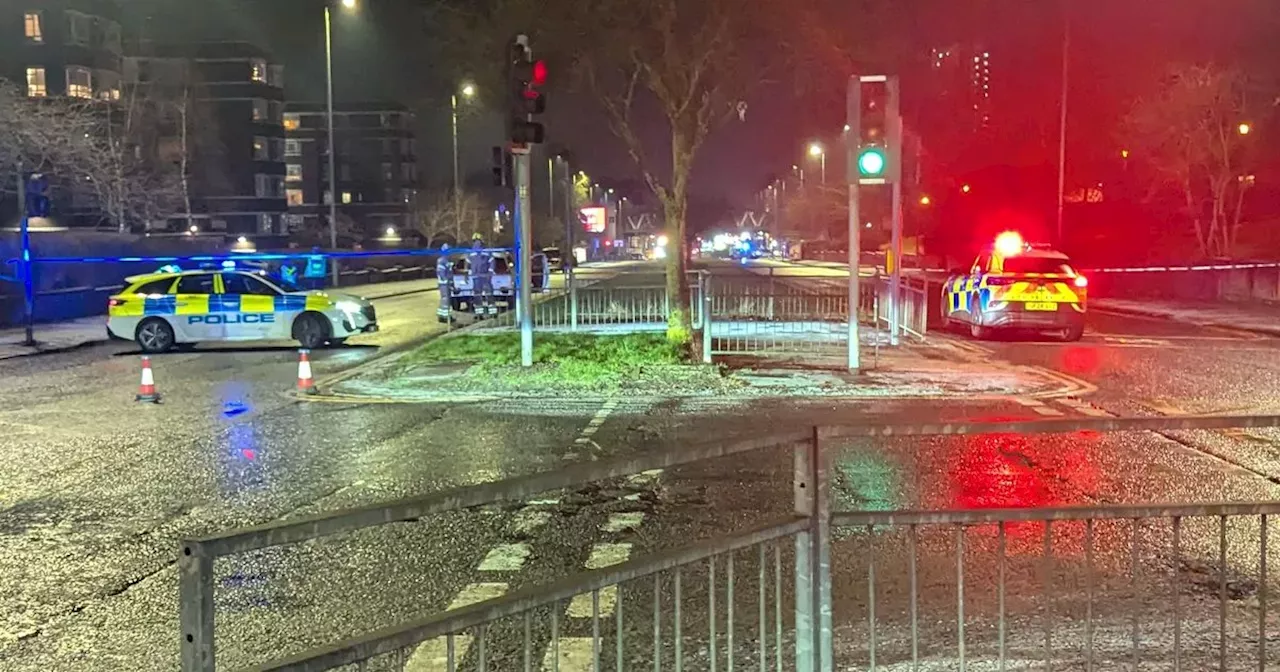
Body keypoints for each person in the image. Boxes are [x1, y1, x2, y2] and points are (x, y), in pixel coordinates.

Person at [467, 234, 494, 318]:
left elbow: (468, 264)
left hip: (476, 276)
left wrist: (470, 272)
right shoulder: (486, 251)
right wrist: (490, 271)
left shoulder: (470, 252)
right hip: (485, 275)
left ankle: (479, 314)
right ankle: (492, 312)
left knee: (477, 295)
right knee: (489, 293)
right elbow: (492, 262)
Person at [435, 243, 452, 323]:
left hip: (445, 283)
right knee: (446, 300)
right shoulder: (442, 261)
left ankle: (442, 315)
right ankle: (445, 317)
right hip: (444, 283)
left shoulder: (446, 261)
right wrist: (446, 280)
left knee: (445, 300)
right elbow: (441, 272)